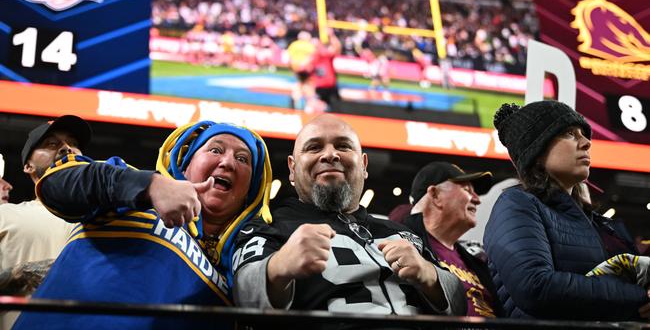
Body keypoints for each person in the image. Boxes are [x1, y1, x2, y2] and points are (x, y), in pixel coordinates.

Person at [14, 121, 272, 330]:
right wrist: (149, 186)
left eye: (243, 159)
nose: (227, 162)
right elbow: (58, 183)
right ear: (186, 164)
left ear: (250, 189)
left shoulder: (239, 268)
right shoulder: (127, 187)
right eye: (215, 150)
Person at [232, 114, 465, 325]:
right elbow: (243, 297)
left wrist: (430, 276)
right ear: (292, 170)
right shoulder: (269, 226)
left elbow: (459, 305)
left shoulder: (401, 232)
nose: (330, 154)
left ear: (363, 165)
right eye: (314, 147)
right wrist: (277, 267)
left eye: (343, 145)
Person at [485, 101, 650, 321]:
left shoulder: (595, 221)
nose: (586, 142)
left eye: (584, 134)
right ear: (537, 150)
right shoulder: (517, 203)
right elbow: (535, 287)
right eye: (570, 134)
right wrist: (638, 298)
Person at [0, 116, 87, 329]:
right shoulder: (5, 215)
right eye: (51, 144)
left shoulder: (110, 220)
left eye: (73, 144)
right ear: (28, 165)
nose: (67, 148)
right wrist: (22, 273)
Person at [403, 162, 503, 318]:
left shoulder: (477, 260)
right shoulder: (400, 242)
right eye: (467, 190)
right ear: (435, 195)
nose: (477, 200)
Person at [287, 31, 316, 110]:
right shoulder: (310, 45)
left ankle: (296, 104)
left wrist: (292, 68)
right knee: (308, 86)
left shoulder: (294, 44)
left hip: (296, 68)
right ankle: (309, 106)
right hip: (306, 69)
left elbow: (290, 58)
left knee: (298, 85)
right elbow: (313, 57)